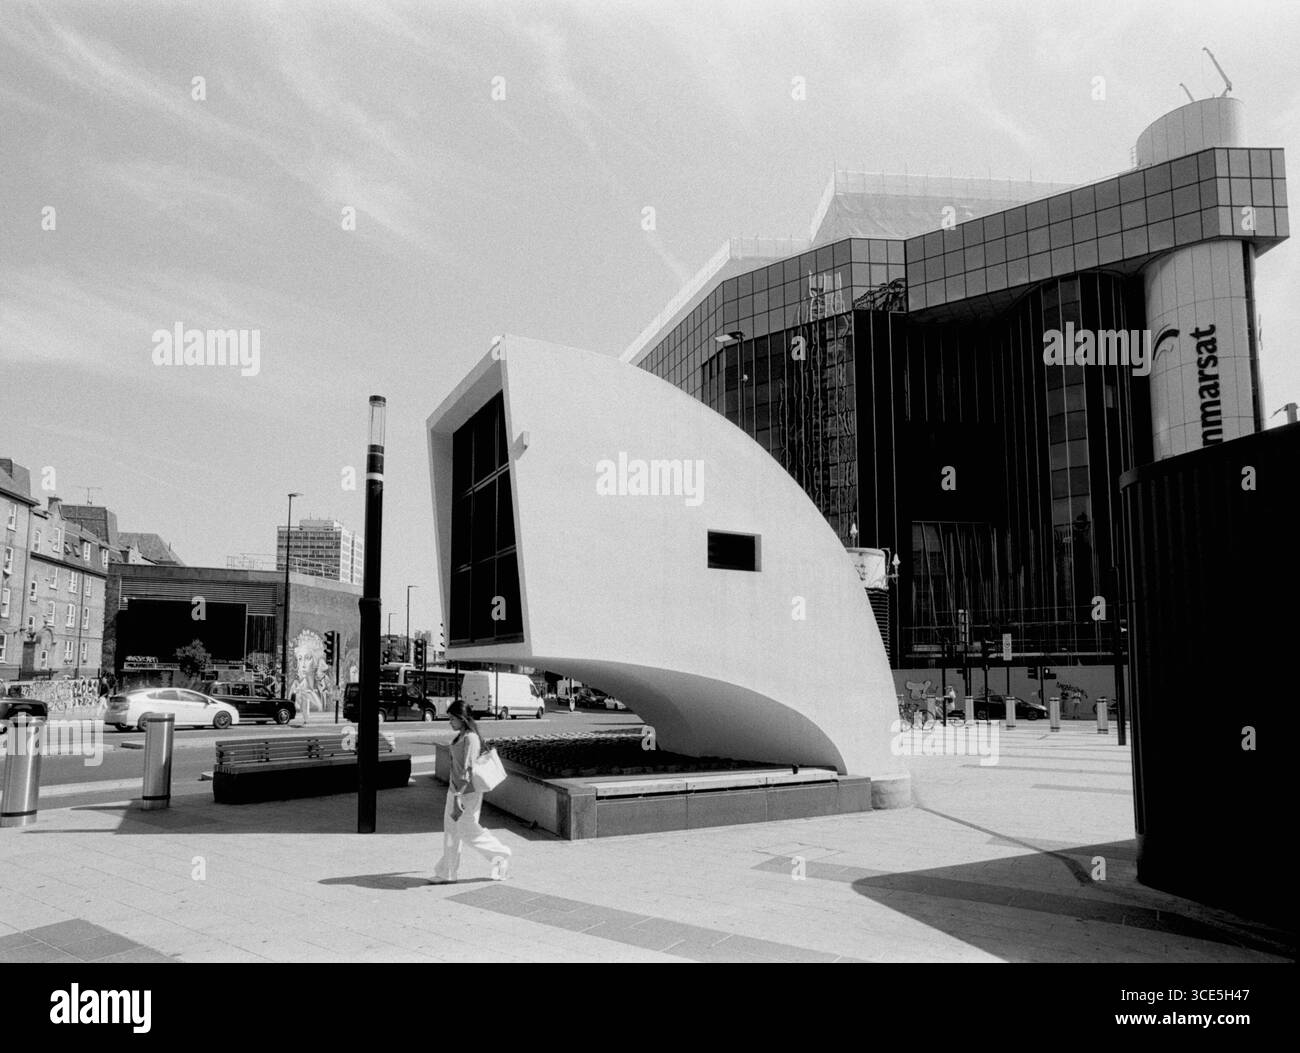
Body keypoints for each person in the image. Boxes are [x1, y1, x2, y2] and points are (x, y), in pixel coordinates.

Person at [430, 700, 512, 884]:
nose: (449, 722)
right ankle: (447, 873)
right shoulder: (461, 735)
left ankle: (500, 854)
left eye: (452, 718)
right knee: (451, 832)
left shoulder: (471, 738)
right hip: (455, 791)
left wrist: (459, 795)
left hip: (467, 792)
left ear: (462, 718)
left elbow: (468, 768)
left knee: (467, 830)